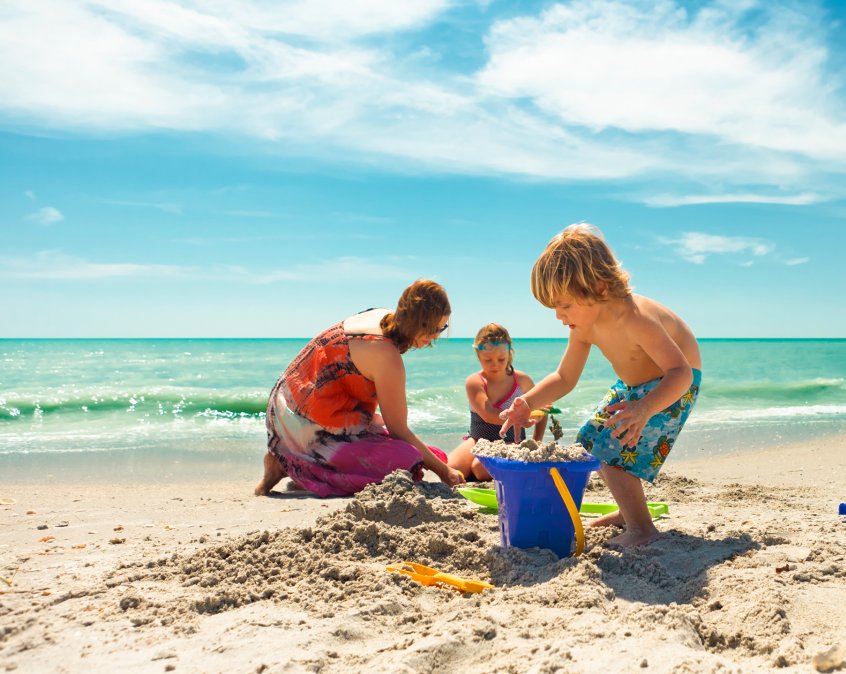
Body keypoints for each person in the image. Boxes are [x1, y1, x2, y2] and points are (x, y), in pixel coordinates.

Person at [500, 224, 702, 547]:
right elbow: (565, 377)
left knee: (612, 447)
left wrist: (645, 408)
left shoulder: (636, 318)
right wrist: (528, 401)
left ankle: (642, 529)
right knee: (593, 439)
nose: (558, 316)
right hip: (634, 386)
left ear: (599, 288)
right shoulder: (583, 325)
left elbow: (682, 373)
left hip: (673, 383)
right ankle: (629, 512)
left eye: (564, 305)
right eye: (555, 308)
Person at [255, 279, 465, 497]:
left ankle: (289, 458)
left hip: (288, 404)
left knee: (432, 456)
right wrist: (444, 473)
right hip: (308, 427)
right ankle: (295, 462)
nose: (436, 336)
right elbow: (399, 430)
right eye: (435, 329)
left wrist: (440, 466)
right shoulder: (385, 355)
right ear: (418, 324)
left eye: (443, 327)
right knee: (408, 460)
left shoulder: (381, 316)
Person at [446, 323, 548, 482]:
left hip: (512, 441)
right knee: (450, 469)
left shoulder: (521, 380)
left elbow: (544, 408)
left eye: (501, 359)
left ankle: (506, 467)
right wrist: (519, 416)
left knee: (479, 469)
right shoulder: (475, 382)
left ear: (509, 354)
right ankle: (501, 469)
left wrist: (536, 441)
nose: (495, 364)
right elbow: (488, 415)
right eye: (488, 360)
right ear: (478, 355)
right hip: (479, 438)